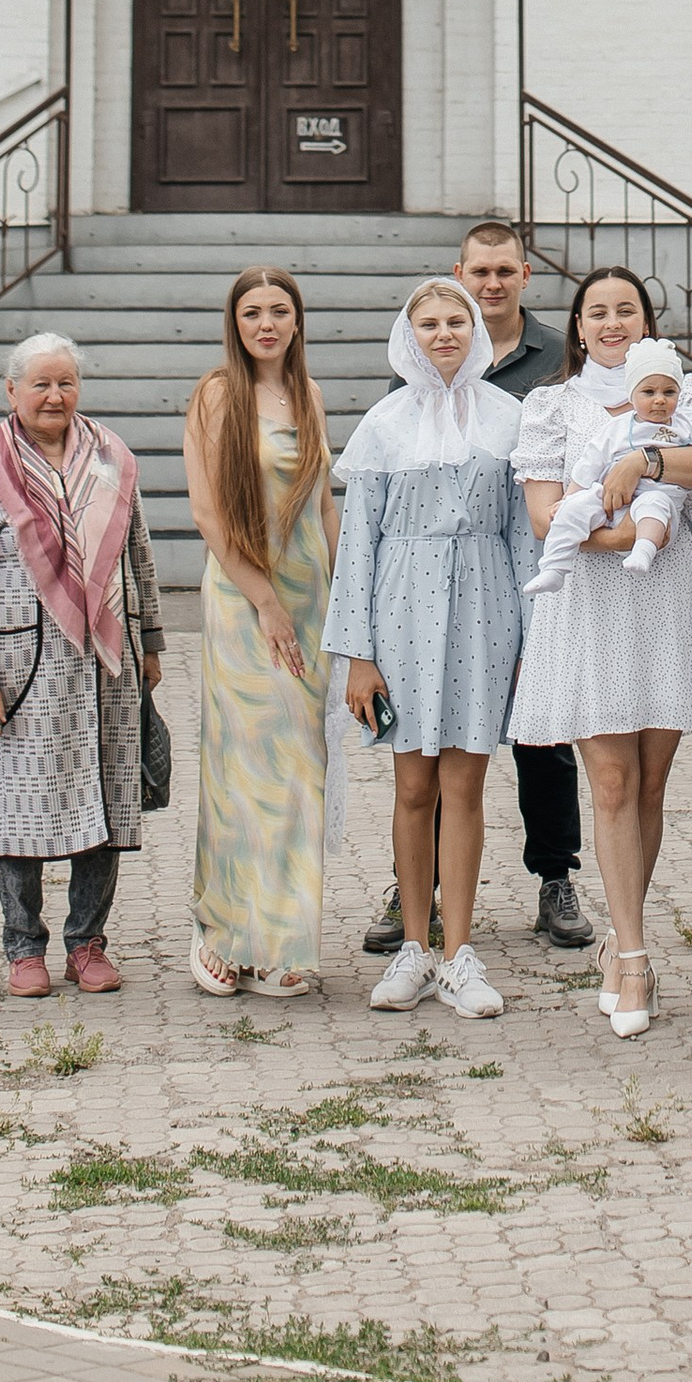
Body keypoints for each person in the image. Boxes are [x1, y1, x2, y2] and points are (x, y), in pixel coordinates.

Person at [509, 272, 692, 1037]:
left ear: (646, 322)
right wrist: (623, 535)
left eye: (626, 311)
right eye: (596, 311)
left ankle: (620, 933)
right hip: (592, 598)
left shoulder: (681, 386)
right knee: (608, 781)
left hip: (666, 597)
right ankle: (636, 957)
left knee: (648, 786)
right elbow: (546, 519)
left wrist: (639, 467)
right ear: (577, 326)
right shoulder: (552, 404)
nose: (611, 322)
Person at [362, 218, 594, 958]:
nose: (491, 284)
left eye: (504, 272)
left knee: (541, 742)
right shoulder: (407, 388)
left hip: (513, 575)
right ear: (458, 276)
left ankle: (555, 874)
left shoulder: (559, 361)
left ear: (524, 276)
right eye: (478, 274)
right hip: (414, 602)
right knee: (421, 755)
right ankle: (416, 887)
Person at [327, 277, 528, 1019]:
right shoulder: (383, 424)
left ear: (474, 330)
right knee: (413, 788)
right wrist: (358, 653)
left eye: (455, 321)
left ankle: (458, 953)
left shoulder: (509, 419)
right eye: (429, 324)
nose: (443, 334)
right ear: (408, 337)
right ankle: (413, 947)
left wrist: (532, 639)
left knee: (465, 789)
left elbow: (522, 533)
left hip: (485, 607)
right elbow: (357, 545)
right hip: (401, 610)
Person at [0, 329, 165, 997]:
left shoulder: (112, 457)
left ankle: (87, 942)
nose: (53, 394)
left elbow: (139, 555)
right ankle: (23, 947)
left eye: (64, 382)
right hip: (22, 666)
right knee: (21, 808)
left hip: (108, 661)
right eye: (39, 383)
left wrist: (150, 642)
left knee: (105, 801)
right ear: (11, 391)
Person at [183, 266, 339, 998]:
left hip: (310, 599)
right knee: (243, 769)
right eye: (253, 312)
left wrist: (342, 602)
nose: (267, 323)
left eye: (280, 311)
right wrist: (264, 601)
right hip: (247, 602)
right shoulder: (218, 395)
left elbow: (325, 507)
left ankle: (285, 937)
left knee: (300, 772)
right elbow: (211, 513)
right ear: (236, 323)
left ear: (298, 321)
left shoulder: (307, 394)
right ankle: (223, 930)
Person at [525, 340, 692, 594]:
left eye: (669, 392)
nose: (660, 400)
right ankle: (555, 567)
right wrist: (570, 497)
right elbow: (589, 464)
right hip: (609, 502)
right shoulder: (617, 427)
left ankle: (643, 550)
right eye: (649, 392)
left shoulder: (689, 422)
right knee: (575, 509)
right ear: (632, 394)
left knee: (654, 504)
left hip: (659, 506)